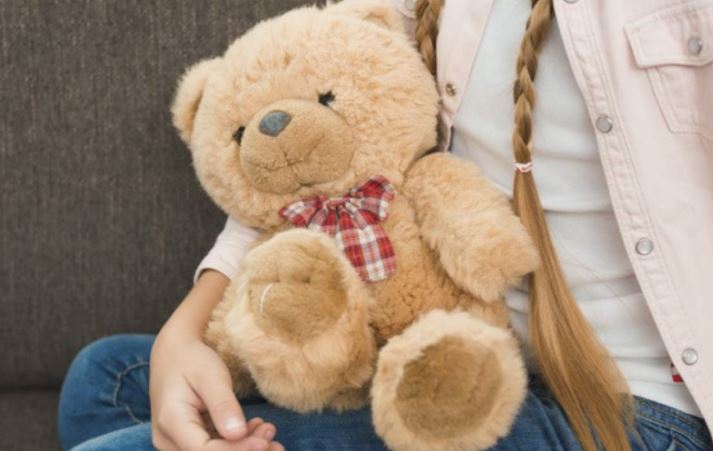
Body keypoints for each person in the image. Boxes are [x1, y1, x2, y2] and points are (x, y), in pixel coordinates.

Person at [57, 0, 713, 449]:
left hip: (631, 409)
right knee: (103, 378)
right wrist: (183, 334)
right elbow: (301, 174)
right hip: (453, 346)